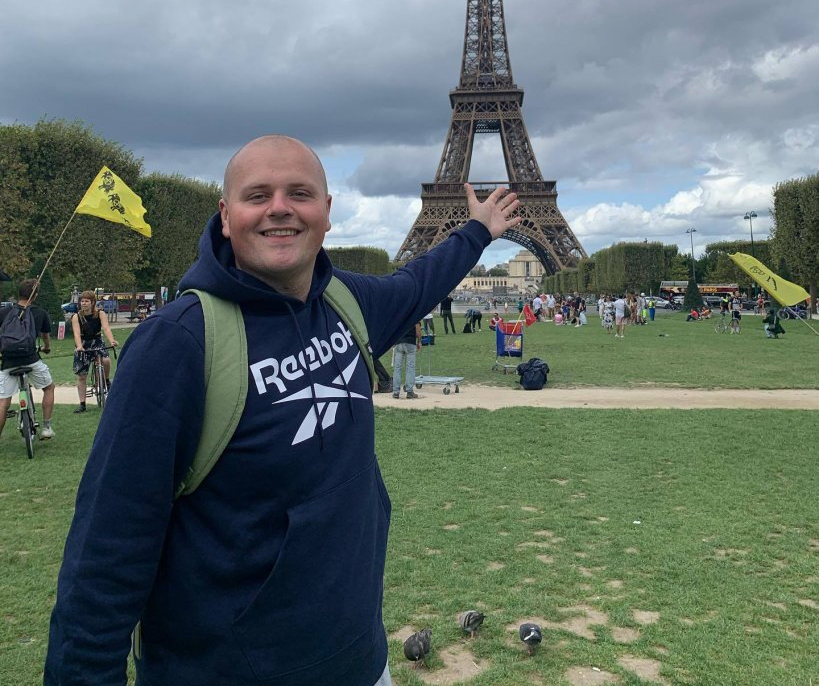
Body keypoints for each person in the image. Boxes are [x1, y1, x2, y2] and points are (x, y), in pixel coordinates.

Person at [44, 135, 521, 686]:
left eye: (300, 193)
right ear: (226, 216)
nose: (280, 208)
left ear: (326, 212)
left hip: (362, 661)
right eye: (257, 195)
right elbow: (106, 552)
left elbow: (417, 283)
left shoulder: (347, 303)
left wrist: (477, 231)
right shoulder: (176, 344)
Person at [0, 278, 56, 440]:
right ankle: (46, 427)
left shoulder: (4, 312)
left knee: (3, 403)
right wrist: (46, 347)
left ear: (19, 293)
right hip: (31, 360)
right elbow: (45, 336)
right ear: (35, 295)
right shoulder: (40, 313)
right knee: (49, 388)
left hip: (8, 362)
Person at [70, 290, 117, 413]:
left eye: (87, 301)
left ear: (93, 302)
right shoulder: (76, 317)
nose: (84, 303)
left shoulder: (100, 314)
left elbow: (106, 328)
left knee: (106, 360)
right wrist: (79, 346)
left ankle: (106, 380)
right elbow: (76, 334)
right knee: (82, 376)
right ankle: (82, 404)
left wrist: (112, 341)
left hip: (97, 342)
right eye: (82, 301)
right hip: (83, 344)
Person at [392, 322, 421, 399]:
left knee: (397, 368)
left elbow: (393, 328)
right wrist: (419, 341)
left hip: (399, 342)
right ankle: (409, 391)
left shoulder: (398, 316)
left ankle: (396, 392)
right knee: (410, 367)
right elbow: (418, 329)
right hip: (410, 342)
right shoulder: (414, 315)